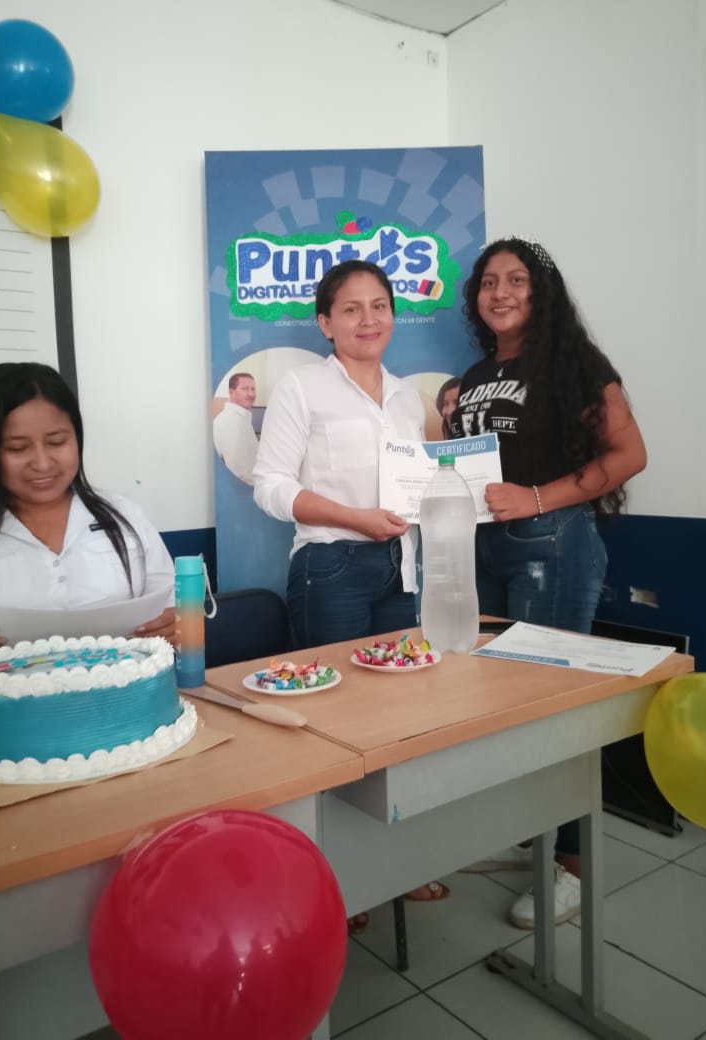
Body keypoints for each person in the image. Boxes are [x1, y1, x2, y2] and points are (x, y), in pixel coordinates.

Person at [450, 237, 646, 929]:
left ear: (542, 292)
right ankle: (536, 832)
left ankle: (571, 865)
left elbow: (630, 453)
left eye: (516, 280)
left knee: (553, 706)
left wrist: (535, 498)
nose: (500, 292)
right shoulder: (476, 374)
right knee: (506, 702)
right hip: (485, 550)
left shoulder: (574, 363)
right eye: (488, 282)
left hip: (552, 545)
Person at [253, 259, 450, 926]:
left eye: (380, 306)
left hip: (400, 568)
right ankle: (331, 878)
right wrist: (355, 519)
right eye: (351, 308)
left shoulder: (407, 398)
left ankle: (390, 867)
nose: (369, 319)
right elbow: (270, 487)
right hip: (331, 566)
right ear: (325, 323)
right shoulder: (302, 388)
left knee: (395, 719)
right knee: (333, 729)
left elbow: (418, 486)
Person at [0, 363, 175, 653]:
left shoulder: (124, 515)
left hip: (125, 681)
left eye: (57, 442)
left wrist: (174, 624)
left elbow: (170, 604)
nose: (42, 463)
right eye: (17, 448)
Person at [212, 371, 258, 486]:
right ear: (231, 392)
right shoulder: (229, 422)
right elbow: (240, 472)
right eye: (245, 389)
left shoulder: (241, 418)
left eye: (253, 389)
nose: (251, 394)